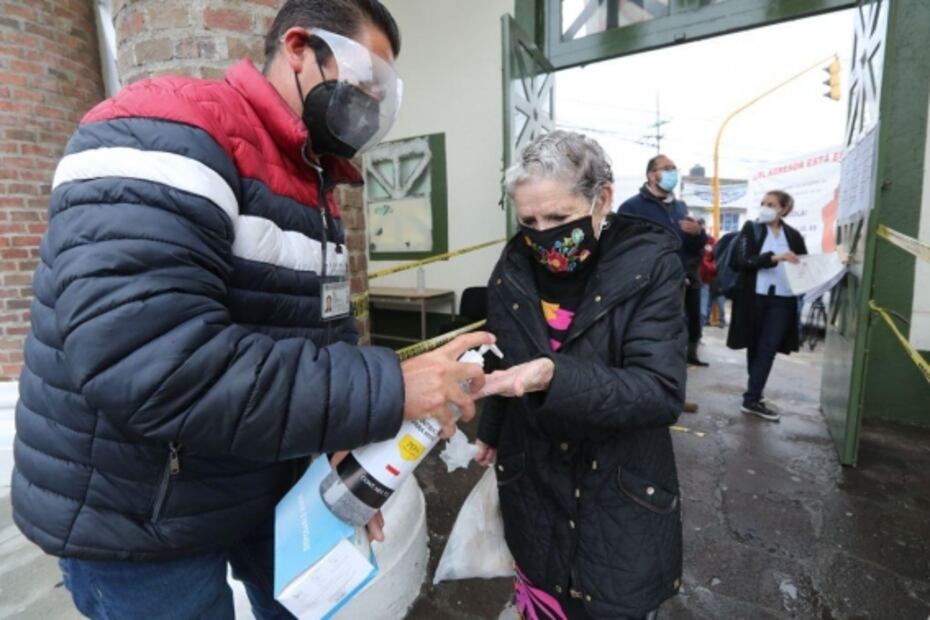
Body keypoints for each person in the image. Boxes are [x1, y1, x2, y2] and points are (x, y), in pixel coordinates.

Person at [12, 1, 494, 618]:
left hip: (261, 482)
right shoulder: (165, 128)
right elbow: (154, 365)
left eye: (382, 93)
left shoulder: (310, 183)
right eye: (363, 81)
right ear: (298, 48)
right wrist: (390, 387)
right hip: (141, 511)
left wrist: (340, 451)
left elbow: (321, 335)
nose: (370, 105)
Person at [475, 131, 686, 619]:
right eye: (529, 220)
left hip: (617, 493)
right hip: (534, 484)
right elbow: (505, 361)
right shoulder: (513, 268)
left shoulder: (649, 266)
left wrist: (554, 376)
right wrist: (491, 428)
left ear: (602, 198)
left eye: (558, 217)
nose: (542, 234)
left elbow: (659, 391)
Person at [620, 154, 708, 401]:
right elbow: (624, 248)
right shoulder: (632, 207)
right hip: (645, 286)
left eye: (674, 168)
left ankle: (672, 393)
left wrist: (698, 233)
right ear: (651, 175)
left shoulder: (680, 207)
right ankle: (637, 392)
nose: (672, 172)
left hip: (679, 285)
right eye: (666, 168)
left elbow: (692, 248)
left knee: (675, 340)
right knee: (645, 339)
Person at [727, 190, 807, 422]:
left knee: (768, 348)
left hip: (782, 300)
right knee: (755, 346)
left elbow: (804, 263)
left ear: (783, 209)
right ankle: (754, 396)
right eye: (763, 203)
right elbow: (740, 261)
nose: (765, 207)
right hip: (754, 298)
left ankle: (751, 398)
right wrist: (774, 258)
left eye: (770, 204)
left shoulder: (793, 235)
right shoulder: (752, 229)